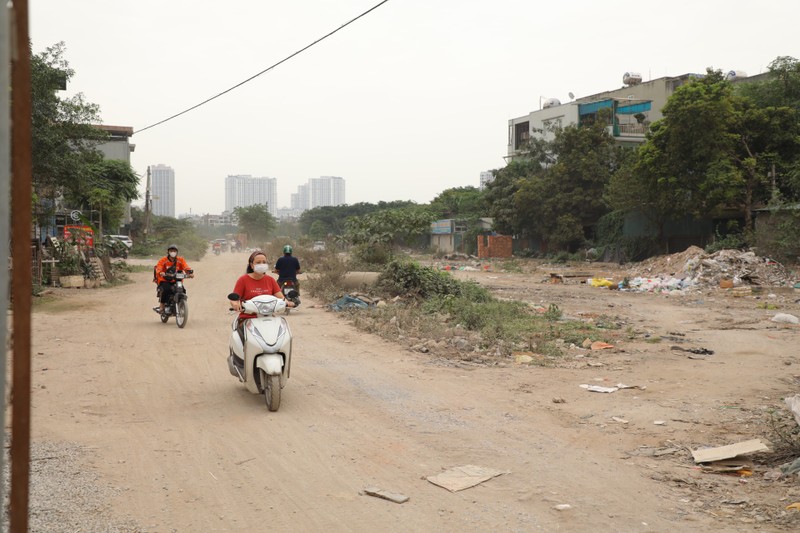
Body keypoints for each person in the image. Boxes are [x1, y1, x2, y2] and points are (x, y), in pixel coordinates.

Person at [229, 250, 295, 317]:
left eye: (264, 262)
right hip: (247, 318)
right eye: (258, 262)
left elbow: (281, 298)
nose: (261, 264)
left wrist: (287, 302)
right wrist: (235, 304)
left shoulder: (270, 280)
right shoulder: (243, 280)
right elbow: (234, 300)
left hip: (268, 318)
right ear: (252, 265)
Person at [153, 244, 193, 314]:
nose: (173, 252)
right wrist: (161, 272)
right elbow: (159, 267)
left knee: (183, 290)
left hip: (177, 280)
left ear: (177, 252)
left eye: (174, 251)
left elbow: (186, 267)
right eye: (171, 251)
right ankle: (162, 306)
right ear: (168, 252)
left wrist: (189, 273)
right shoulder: (163, 260)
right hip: (165, 280)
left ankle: (181, 305)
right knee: (166, 290)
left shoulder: (180, 260)